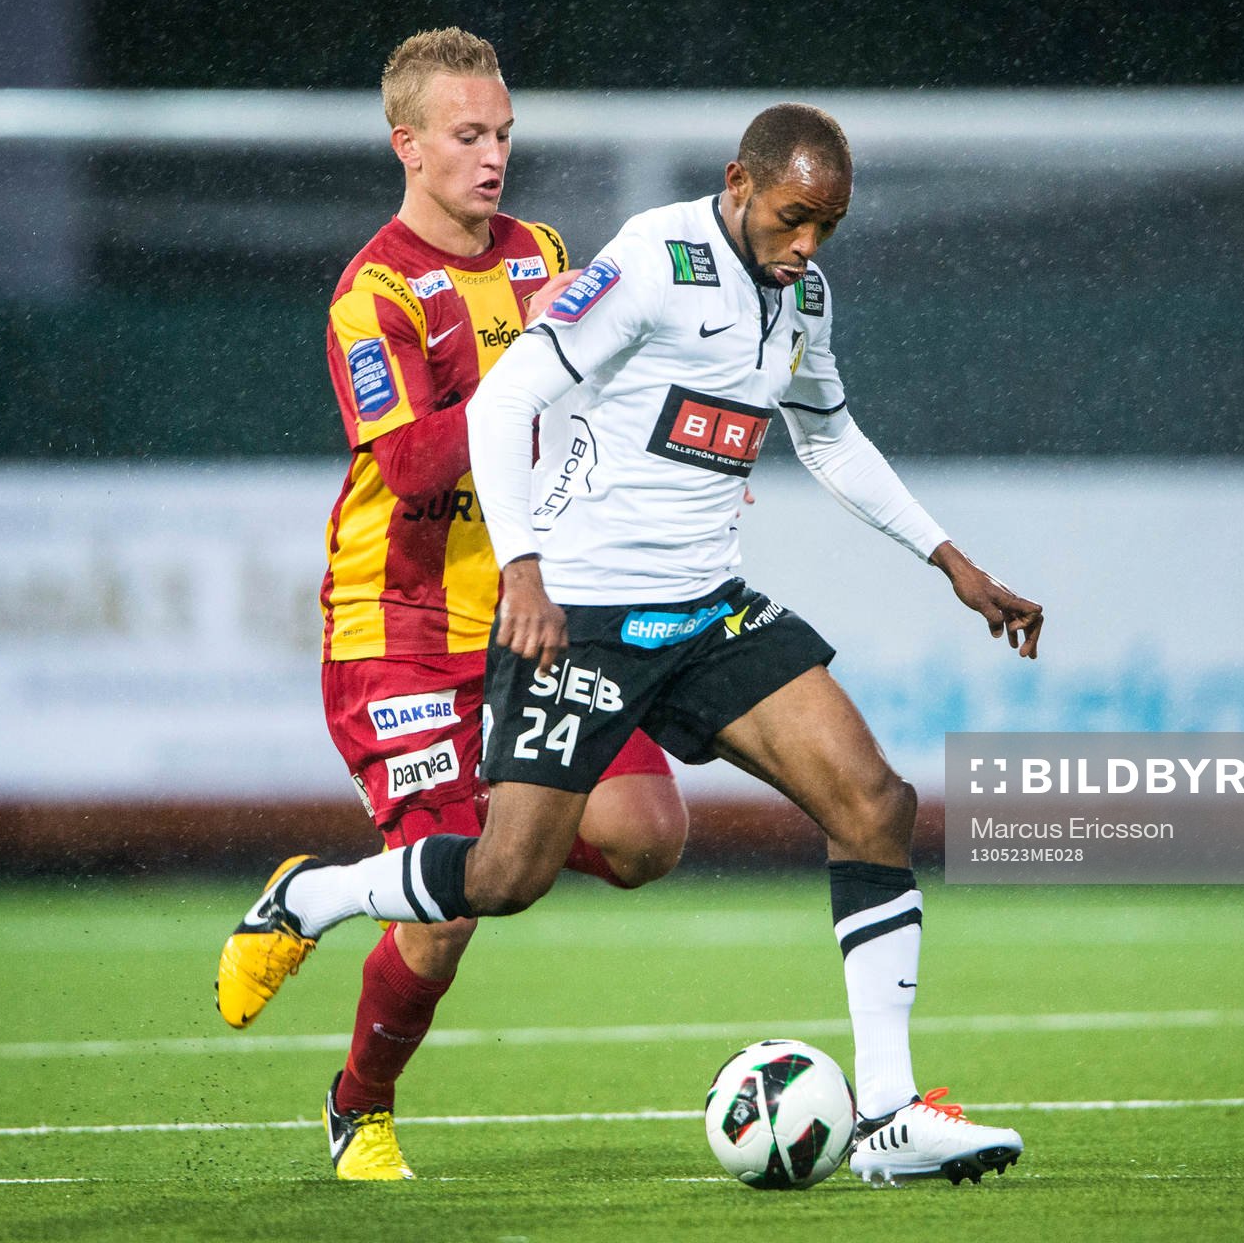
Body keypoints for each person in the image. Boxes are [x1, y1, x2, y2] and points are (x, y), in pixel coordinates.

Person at [222, 101, 1044, 1186]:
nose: (807, 246)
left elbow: (828, 432)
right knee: (503, 875)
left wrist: (948, 559)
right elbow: (513, 392)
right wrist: (522, 565)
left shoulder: (801, 292)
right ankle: (313, 898)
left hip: (703, 609)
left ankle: (888, 1112)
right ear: (739, 183)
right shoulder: (652, 258)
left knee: (873, 802)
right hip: (587, 613)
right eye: (794, 218)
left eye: (828, 228)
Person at [213, 28, 688, 1182]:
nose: (494, 158)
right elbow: (420, 465)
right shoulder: (371, 291)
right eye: (469, 137)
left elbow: (593, 392)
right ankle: (357, 1106)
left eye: (504, 134)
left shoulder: (543, 252)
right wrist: (526, 380)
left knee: (646, 834)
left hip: (529, 618)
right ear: (408, 146)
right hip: (403, 631)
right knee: (452, 901)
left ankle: (368, 874)